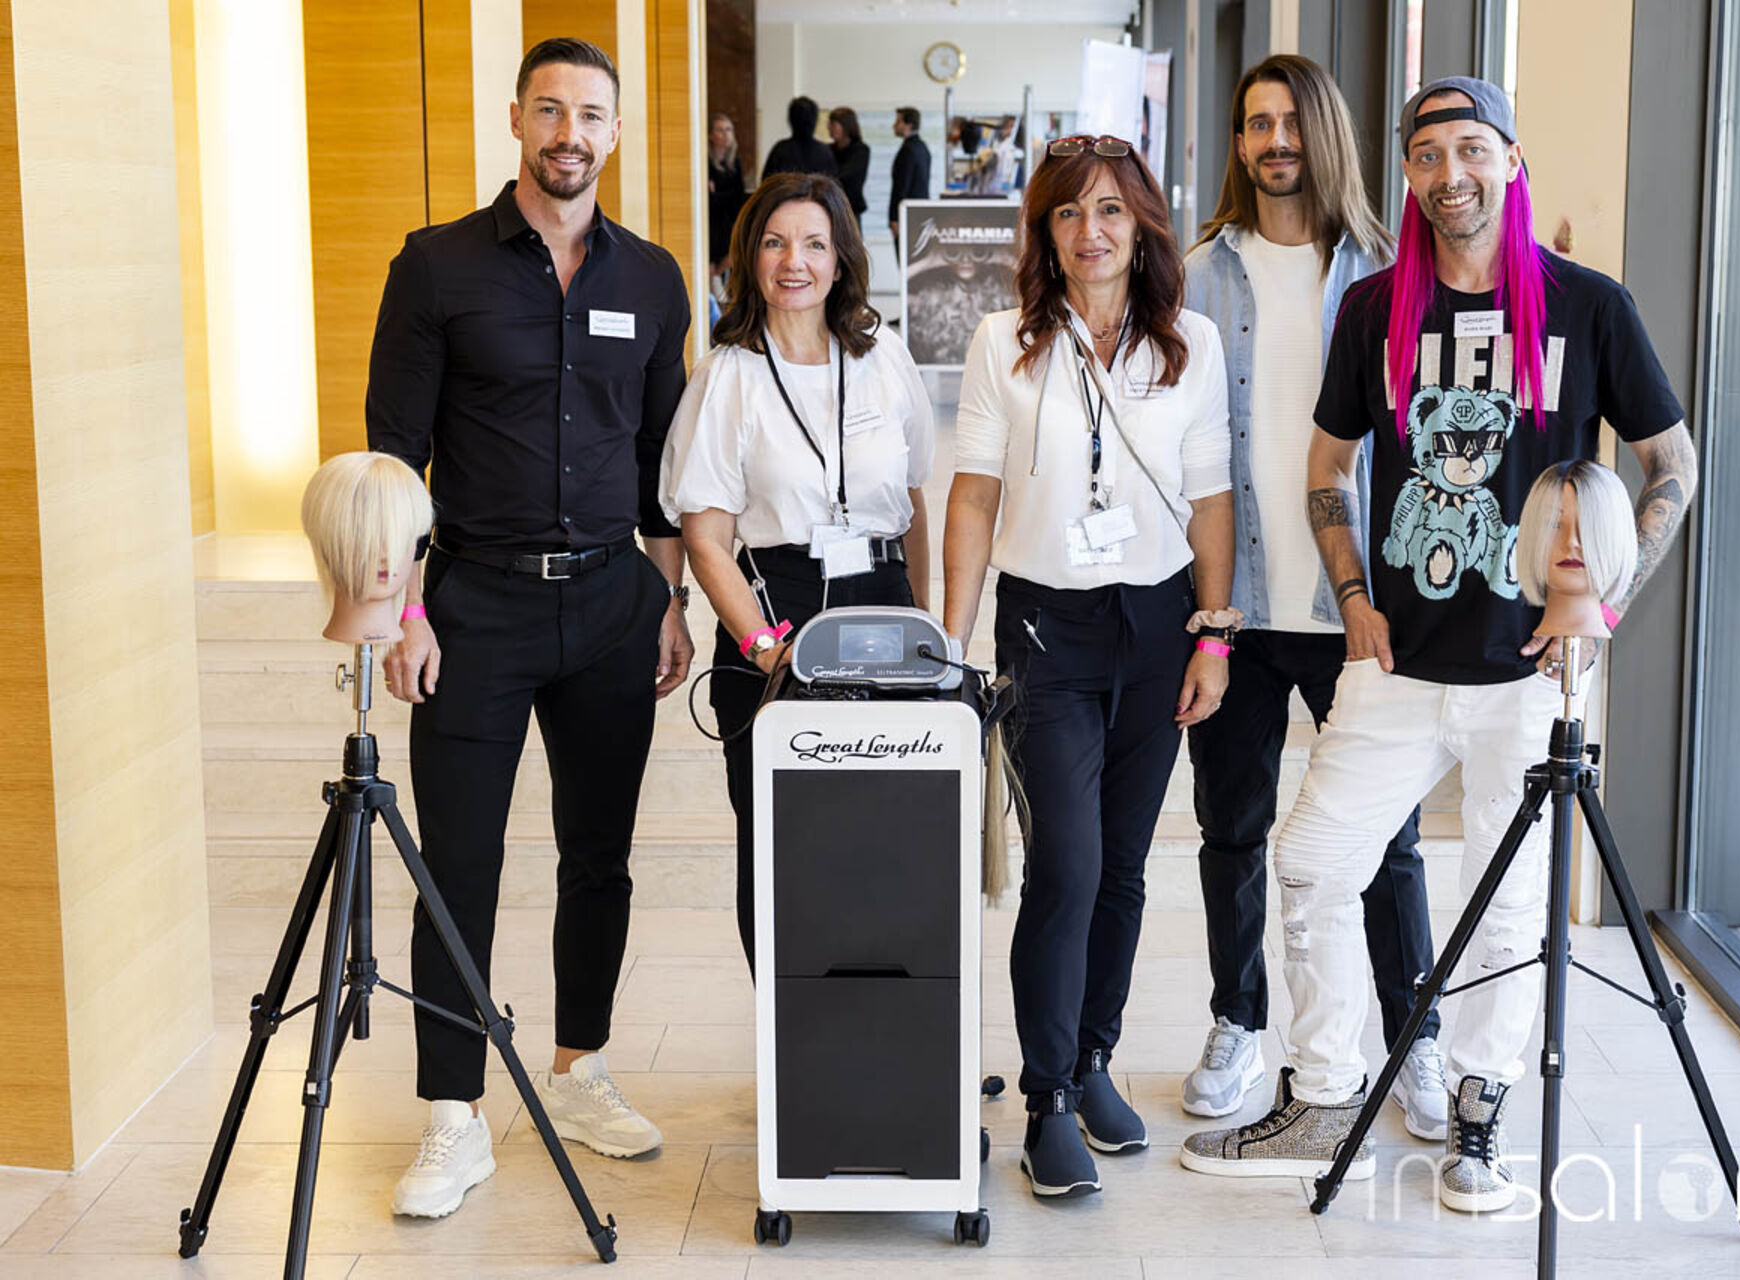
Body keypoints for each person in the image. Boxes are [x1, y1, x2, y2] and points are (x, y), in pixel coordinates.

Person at [1180, 77, 1697, 1215]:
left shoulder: (1586, 306)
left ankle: (1479, 1110)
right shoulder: (1377, 308)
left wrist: (1601, 606)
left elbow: (1672, 463)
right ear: (1407, 174)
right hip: (1395, 664)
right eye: (1427, 154)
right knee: (1314, 864)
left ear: (1510, 160)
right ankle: (1326, 1092)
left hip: (1532, 672)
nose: (1450, 173)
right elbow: (1327, 464)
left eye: (1471, 148)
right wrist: (1350, 591)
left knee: (1508, 905)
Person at [367, 36, 695, 1220]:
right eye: (550, 110)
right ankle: (453, 1113)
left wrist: (669, 598)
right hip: (474, 607)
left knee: (598, 852)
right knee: (457, 862)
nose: (570, 133)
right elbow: (394, 452)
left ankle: (578, 1068)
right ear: (516, 120)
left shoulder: (651, 278)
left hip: (612, 602)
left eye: (591, 114)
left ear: (616, 132)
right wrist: (404, 610)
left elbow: (663, 459)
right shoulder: (435, 265)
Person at [943, 134, 1235, 1201]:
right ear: (1045, 232)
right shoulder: (1004, 342)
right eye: (1068, 212)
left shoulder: (1189, 342)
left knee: (1121, 866)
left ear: (1143, 223)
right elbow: (974, 493)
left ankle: (1096, 1057)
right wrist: (951, 641)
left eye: (1110, 209)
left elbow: (1212, 495)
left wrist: (1212, 635)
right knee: (1065, 863)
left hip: (1157, 625)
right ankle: (1048, 1097)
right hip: (1045, 631)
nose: (1090, 230)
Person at [1176, 53, 1448, 1141]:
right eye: (1256, 123)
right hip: (1237, 607)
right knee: (1231, 829)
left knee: (1385, 841)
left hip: (1360, 611)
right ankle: (1238, 1021)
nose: (1275, 140)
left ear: (1325, 133)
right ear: (1239, 142)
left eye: (1291, 121)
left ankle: (1414, 1037)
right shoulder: (1196, 274)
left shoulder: (1391, 273)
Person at [662, 172, 934, 969]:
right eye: (776, 243)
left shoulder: (883, 356)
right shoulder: (728, 374)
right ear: (751, 256)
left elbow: (914, 501)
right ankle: (796, 1034)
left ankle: (889, 1022)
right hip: (774, 617)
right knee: (783, 852)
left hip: (882, 614)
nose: (795, 262)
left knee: (891, 845)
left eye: (815, 244)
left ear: (842, 258)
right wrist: (763, 650)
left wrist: (926, 631)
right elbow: (706, 537)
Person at [709, 111, 748, 287]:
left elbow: (738, 197)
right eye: (720, 130)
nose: (725, 135)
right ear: (710, 135)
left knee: (736, 250)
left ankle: (717, 282)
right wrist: (721, 196)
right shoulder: (706, 163)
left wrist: (717, 194)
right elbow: (709, 201)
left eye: (728, 130)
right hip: (712, 222)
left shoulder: (734, 163)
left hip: (729, 220)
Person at [888, 106, 932, 246]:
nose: (894, 125)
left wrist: (895, 218)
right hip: (919, 214)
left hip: (906, 217)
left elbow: (901, 186)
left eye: (898, 121)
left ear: (909, 125)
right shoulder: (922, 147)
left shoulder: (908, 150)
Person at [763, 95, 836, 179]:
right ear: (815, 120)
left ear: (790, 119)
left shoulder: (780, 151)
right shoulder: (825, 153)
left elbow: (766, 183)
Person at [827, 107, 870, 223]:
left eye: (833, 124)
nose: (829, 128)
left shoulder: (861, 150)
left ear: (846, 126)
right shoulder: (828, 149)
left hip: (851, 209)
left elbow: (845, 176)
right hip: (830, 207)